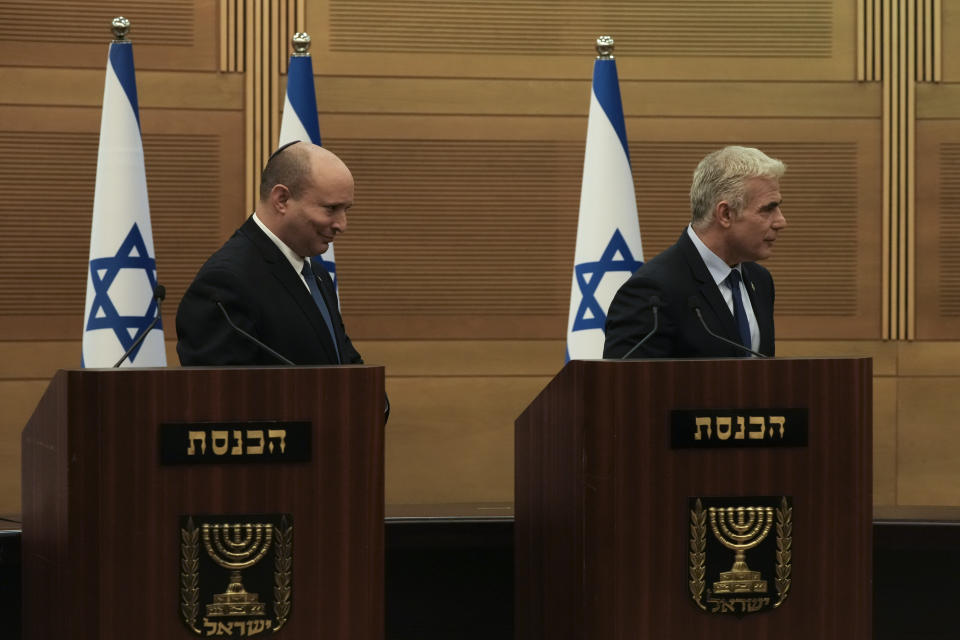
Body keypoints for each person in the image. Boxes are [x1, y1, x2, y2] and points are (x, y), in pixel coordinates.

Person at [176, 141, 362, 367]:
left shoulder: (316, 273)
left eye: (346, 209)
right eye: (331, 209)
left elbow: (342, 360)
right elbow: (218, 394)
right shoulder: (225, 282)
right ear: (282, 199)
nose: (342, 225)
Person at [603, 145, 786, 359]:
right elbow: (623, 386)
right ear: (725, 214)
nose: (781, 221)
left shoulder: (760, 281)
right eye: (768, 209)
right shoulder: (651, 292)